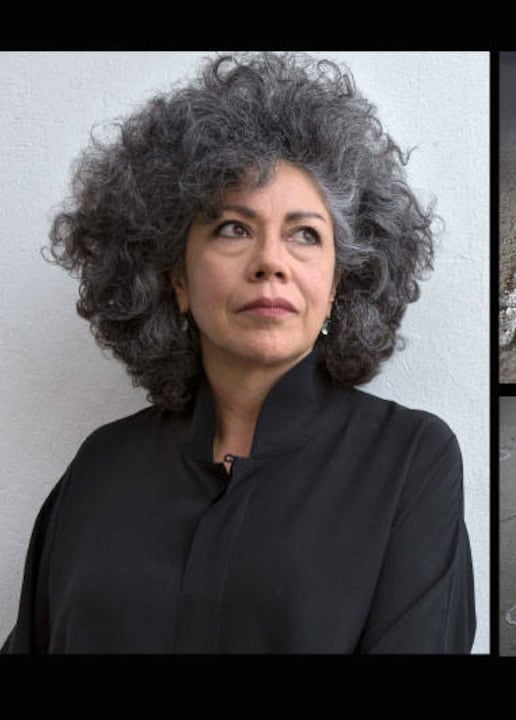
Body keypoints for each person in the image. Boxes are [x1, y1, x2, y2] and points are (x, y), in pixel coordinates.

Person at [3, 53, 476, 653]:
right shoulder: (101, 466)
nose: (270, 261)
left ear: (337, 284)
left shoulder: (408, 461)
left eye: (305, 234)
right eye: (233, 228)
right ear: (177, 276)